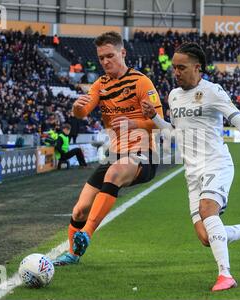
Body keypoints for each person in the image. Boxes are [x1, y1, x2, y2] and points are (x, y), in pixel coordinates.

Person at [141, 43, 240, 292]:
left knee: (208, 210)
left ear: (198, 68)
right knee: (207, 238)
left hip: (216, 163)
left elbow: (236, 117)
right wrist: (154, 117)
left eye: (181, 67)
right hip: (192, 173)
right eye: (174, 68)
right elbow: (175, 134)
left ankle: (225, 275)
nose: (176, 72)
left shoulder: (213, 91)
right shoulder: (173, 96)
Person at [53, 31, 164, 266]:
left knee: (113, 174)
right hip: (116, 156)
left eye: (110, 56)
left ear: (122, 53)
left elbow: (160, 123)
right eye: (101, 58)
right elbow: (84, 111)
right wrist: (76, 109)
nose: (105, 62)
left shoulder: (141, 82)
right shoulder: (99, 85)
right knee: (79, 210)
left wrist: (134, 123)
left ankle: (87, 234)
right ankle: (73, 254)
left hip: (143, 155)